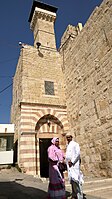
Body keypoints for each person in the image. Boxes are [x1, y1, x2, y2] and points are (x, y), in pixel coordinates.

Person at [66, 133, 80, 199]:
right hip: (69, 166)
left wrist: (72, 162)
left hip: (74, 165)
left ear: (71, 137)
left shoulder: (75, 144)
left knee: (76, 180)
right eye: (67, 137)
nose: (68, 138)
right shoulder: (68, 145)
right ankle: (74, 195)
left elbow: (77, 154)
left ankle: (79, 196)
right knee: (72, 181)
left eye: (69, 137)